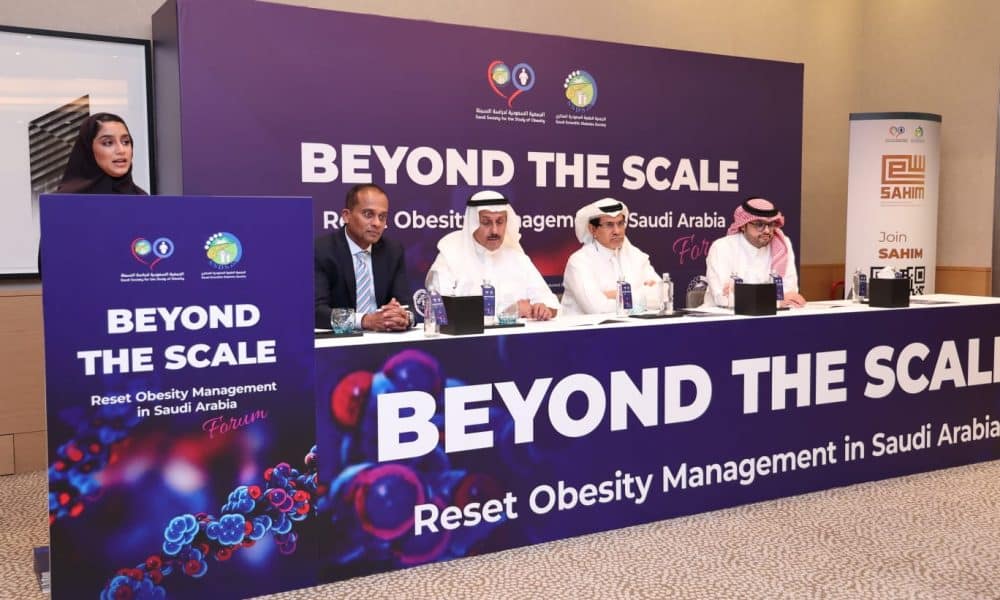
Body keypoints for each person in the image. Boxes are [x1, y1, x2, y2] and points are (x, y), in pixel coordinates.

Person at [427, 190, 559, 320]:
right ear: (473, 223)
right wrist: (509, 312)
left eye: (500, 222)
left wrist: (543, 309)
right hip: (469, 335)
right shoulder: (450, 254)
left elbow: (552, 304)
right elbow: (440, 312)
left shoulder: (517, 257)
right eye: (486, 222)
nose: (494, 230)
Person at [314, 183, 411, 331]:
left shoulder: (392, 251)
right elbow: (316, 312)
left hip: (385, 336)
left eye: (382, 217)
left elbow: (406, 306)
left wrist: (404, 318)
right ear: (346, 216)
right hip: (339, 340)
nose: (377, 223)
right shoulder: (321, 250)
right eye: (368, 214)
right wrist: (365, 321)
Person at [561, 197, 659, 315]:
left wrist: (615, 295)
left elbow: (661, 297)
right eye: (609, 225)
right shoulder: (579, 261)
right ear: (593, 229)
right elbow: (597, 309)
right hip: (589, 327)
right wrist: (643, 296)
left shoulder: (635, 255)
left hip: (635, 325)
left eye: (620, 224)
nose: (617, 231)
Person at [703, 197, 806, 308]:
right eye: (759, 224)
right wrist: (774, 301)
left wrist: (742, 293)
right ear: (743, 225)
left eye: (771, 224)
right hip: (721, 316)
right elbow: (723, 299)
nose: (767, 230)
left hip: (773, 315)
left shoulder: (782, 245)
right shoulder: (722, 247)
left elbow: (790, 294)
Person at [56, 112, 147, 194]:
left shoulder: (141, 199)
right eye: (108, 143)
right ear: (89, 149)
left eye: (125, 142)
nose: (121, 150)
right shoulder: (65, 201)